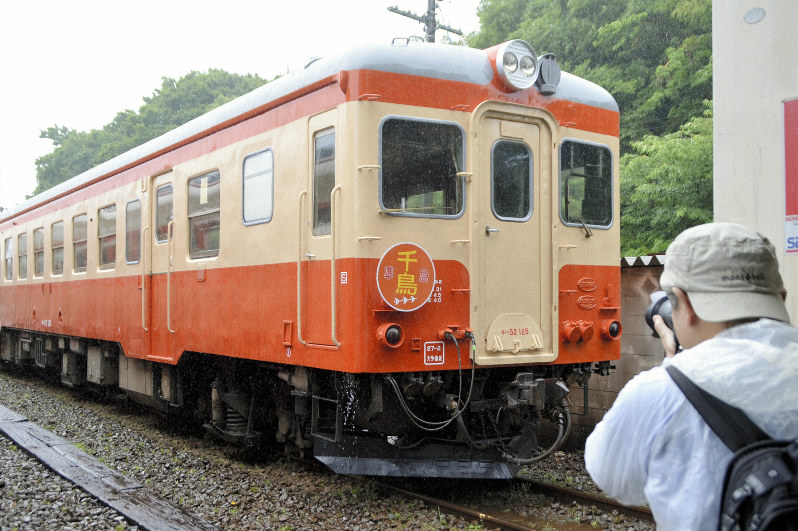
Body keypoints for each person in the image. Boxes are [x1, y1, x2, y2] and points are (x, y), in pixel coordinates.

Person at [584, 222, 798, 530]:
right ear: (781, 297)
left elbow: (613, 478)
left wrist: (674, 370)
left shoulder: (660, 391)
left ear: (684, 304)